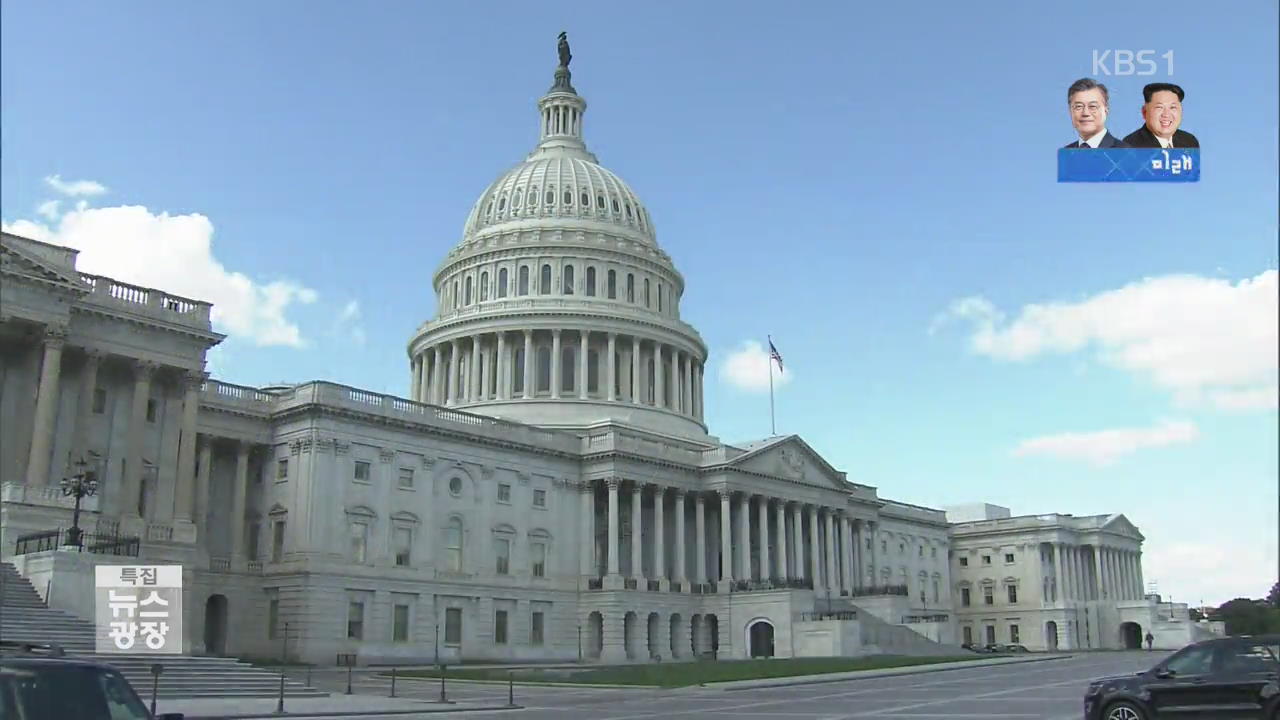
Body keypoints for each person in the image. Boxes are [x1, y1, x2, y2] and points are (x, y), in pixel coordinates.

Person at [1123, 82, 1199, 149]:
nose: (1166, 114)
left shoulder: (1190, 142)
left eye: (1172, 107)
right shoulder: (1130, 146)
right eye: (1159, 107)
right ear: (1144, 112)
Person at [1063, 77, 1129, 149]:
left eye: (1092, 106)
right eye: (1079, 106)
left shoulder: (1125, 152)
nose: (1085, 113)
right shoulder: (1067, 152)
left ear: (1106, 110)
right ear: (1070, 111)